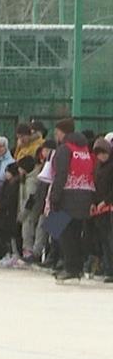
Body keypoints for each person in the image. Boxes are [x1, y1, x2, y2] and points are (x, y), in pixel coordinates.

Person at [48, 118, 94, 283]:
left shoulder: (64, 149)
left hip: (67, 195)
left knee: (61, 231)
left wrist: (54, 196)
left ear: (62, 132)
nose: (56, 135)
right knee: (75, 232)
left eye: (57, 132)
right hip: (85, 194)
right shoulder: (84, 149)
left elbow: (61, 174)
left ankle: (70, 268)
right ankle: (76, 267)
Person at [91, 137, 113, 283]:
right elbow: (95, 186)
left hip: (109, 206)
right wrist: (94, 202)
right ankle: (108, 268)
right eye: (98, 154)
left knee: (110, 239)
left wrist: (106, 201)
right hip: (100, 208)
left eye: (103, 153)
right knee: (104, 239)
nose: (101, 156)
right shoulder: (98, 166)